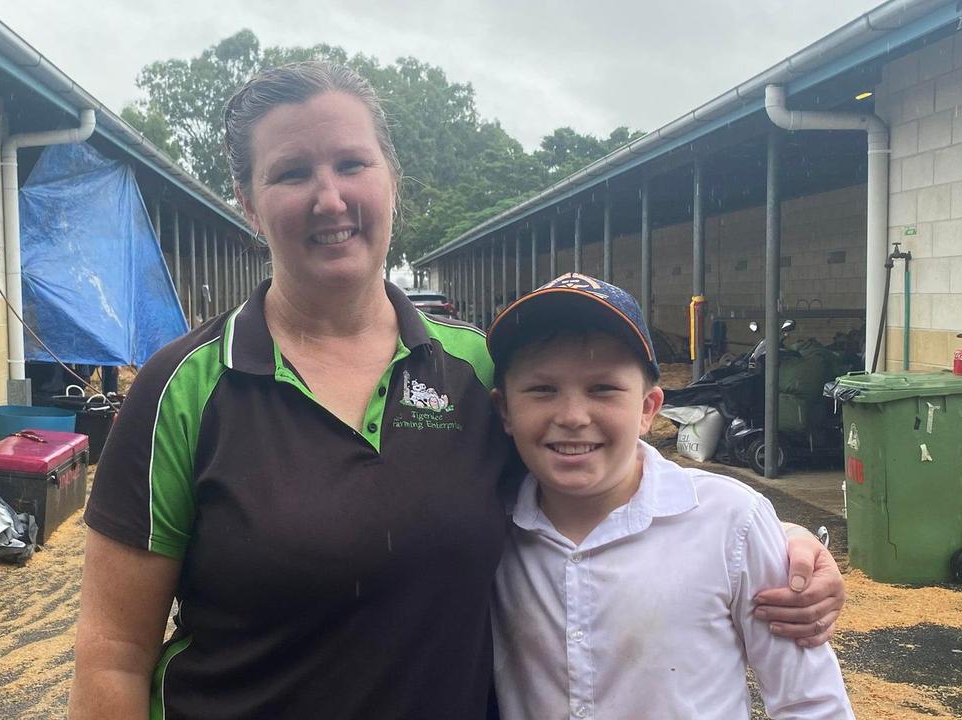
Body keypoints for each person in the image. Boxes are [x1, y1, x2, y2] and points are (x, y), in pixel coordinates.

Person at [68, 62, 845, 720]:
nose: (329, 198)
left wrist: (773, 542)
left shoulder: (476, 370)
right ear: (246, 200)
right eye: (291, 173)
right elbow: (112, 654)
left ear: (392, 181)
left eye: (351, 164)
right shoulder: (183, 387)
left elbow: (595, 474)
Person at [487, 272, 853, 719]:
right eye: (543, 389)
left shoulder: (730, 523)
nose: (573, 416)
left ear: (648, 409)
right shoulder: (484, 527)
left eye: (603, 388)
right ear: (505, 409)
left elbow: (810, 702)